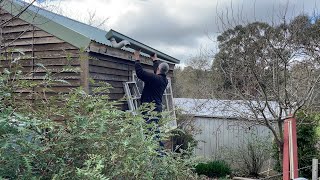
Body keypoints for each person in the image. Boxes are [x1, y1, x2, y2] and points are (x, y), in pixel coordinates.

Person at [133, 50, 169, 151]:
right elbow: (157, 72)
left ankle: (158, 154)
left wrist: (137, 59)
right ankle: (159, 153)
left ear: (158, 69)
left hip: (150, 109)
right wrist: (155, 60)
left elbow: (140, 73)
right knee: (154, 131)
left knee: (151, 133)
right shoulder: (164, 80)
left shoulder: (155, 78)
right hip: (156, 109)